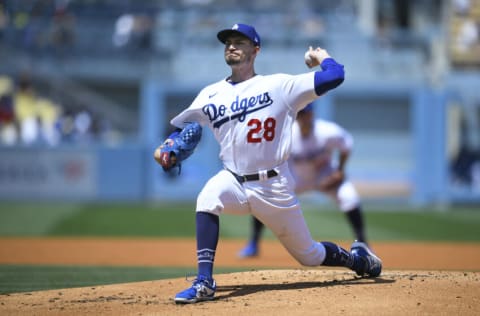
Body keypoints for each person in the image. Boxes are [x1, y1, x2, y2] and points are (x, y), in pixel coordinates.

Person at [155, 23, 382, 304]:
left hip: (274, 185)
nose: (231, 46)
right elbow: (184, 130)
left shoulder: (279, 86)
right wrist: (169, 149)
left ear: (256, 50)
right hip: (234, 179)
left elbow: (335, 76)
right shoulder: (209, 94)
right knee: (207, 198)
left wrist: (322, 57)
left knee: (309, 255)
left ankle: (357, 259)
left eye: (240, 41)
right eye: (228, 42)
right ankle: (204, 282)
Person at [238, 103, 368, 258]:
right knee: (265, 195)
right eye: (301, 114)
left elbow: (347, 144)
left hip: (324, 175)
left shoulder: (327, 131)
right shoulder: (288, 134)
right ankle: (253, 244)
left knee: (349, 197)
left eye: (307, 113)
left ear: (312, 114)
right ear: (296, 117)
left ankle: (363, 245)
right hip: (297, 178)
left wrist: (340, 171)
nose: (304, 117)